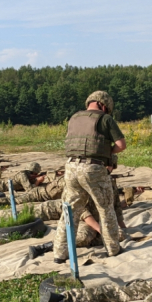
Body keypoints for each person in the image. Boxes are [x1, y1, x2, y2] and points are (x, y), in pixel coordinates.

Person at [52, 91, 126, 262]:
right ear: (104, 105)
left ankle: (60, 253)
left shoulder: (74, 118)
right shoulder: (105, 119)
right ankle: (113, 249)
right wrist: (107, 153)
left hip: (70, 167)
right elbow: (121, 145)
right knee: (106, 209)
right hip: (93, 169)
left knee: (70, 212)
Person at [0, 168, 65, 209]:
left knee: (14, 200)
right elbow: (29, 189)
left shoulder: (28, 176)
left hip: (40, 193)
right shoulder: (23, 175)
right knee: (14, 201)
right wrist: (37, 181)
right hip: (36, 194)